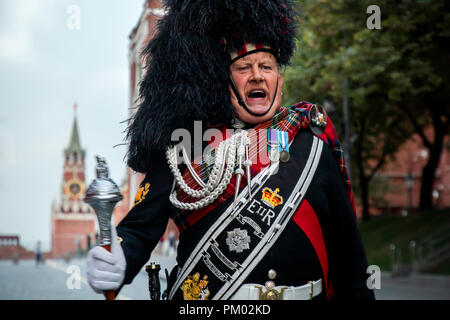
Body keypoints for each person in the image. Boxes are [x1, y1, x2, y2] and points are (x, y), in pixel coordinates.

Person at [87, 0, 375, 300]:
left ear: (279, 77)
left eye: (267, 66)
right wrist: (118, 257)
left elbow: (349, 259)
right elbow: (139, 228)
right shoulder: (187, 145)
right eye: (243, 67)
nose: (257, 76)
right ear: (223, 79)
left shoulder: (312, 144)